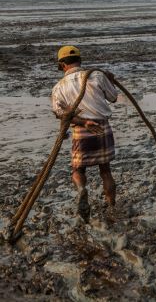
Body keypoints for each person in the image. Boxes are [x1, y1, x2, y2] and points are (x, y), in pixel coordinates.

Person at [51, 45, 119, 220]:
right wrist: (110, 81)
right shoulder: (97, 75)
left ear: (62, 65)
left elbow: (61, 115)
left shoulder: (59, 87)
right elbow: (113, 97)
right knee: (105, 170)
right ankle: (111, 206)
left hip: (81, 131)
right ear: (80, 60)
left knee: (77, 169)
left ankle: (82, 190)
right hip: (102, 127)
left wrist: (83, 122)